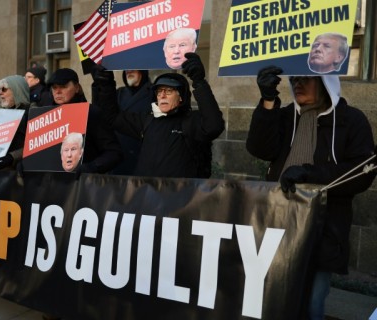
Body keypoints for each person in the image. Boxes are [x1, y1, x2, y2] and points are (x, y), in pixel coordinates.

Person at [246, 66, 376, 319]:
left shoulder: (351, 120)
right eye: (294, 78)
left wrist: (310, 174)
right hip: (277, 223)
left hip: (322, 227)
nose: (297, 84)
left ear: (326, 82)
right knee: (271, 297)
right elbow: (259, 148)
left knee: (312, 303)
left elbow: (362, 173)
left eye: (306, 78)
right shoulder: (284, 116)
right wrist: (268, 101)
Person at [93, 52, 225, 178]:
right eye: (159, 91)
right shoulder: (147, 120)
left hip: (180, 197)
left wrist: (199, 81)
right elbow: (113, 117)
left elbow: (214, 126)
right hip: (145, 195)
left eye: (168, 91)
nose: (162, 95)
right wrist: (106, 84)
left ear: (181, 97)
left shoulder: (191, 121)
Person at [46, 68, 122, 174]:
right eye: (54, 88)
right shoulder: (45, 117)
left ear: (77, 88)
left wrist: (91, 167)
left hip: (83, 186)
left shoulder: (91, 113)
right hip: (53, 185)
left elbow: (114, 152)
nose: (58, 92)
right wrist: (28, 163)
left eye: (63, 87)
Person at [93, 70, 153, 175]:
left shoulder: (155, 94)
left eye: (133, 67)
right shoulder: (118, 93)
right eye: (126, 69)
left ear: (143, 71)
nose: (128, 71)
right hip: (118, 160)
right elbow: (101, 114)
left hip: (141, 159)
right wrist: (99, 85)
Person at [0, 75, 32, 170]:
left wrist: (12, 157)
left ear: (17, 90)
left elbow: (36, 144)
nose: (0, 93)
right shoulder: (1, 113)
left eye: (4, 89)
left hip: (21, 171)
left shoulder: (32, 113)